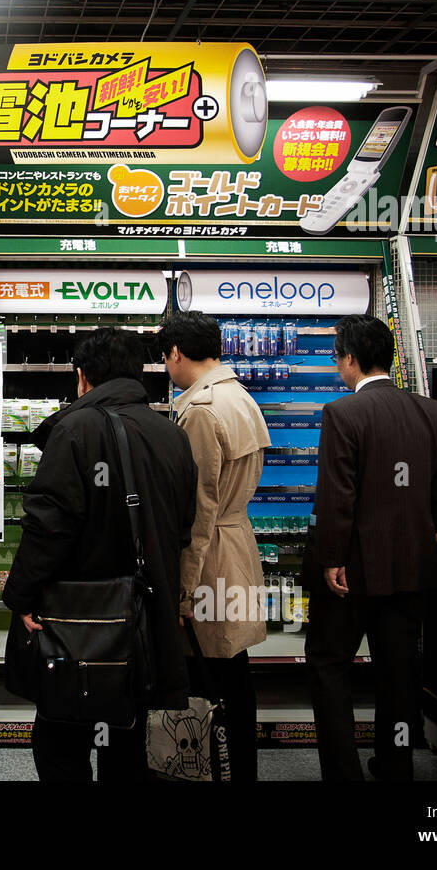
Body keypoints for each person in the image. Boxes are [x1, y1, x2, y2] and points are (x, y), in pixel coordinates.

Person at [3, 328, 198, 782]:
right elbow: (184, 528)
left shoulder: (74, 429)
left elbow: (48, 527)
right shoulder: (171, 434)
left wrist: (24, 597)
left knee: (60, 741)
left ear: (83, 377)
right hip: (143, 618)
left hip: (79, 620)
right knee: (126, 739)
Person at [305, 314, 437, 781]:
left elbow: (338, 496)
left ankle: (343, 772)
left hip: (352, 572)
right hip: (412, 566)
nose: (336, 362)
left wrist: (332, 559)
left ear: (350, 359)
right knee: (398, 672)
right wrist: (419, 530)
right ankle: (395, 765)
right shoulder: (431, 411)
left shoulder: (342, 414)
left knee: (329, 665)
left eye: (337, 353)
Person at [157, 310, 270, 783]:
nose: (166, 367)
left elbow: (200, 507)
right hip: (237, 544)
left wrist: (182, 591)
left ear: (177, 353)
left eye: (165, 358)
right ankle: (240, 767)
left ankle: (213, 770)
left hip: (209, 560)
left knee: (208, 679)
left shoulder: (201, 410)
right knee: (234, 672)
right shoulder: (240, 396)